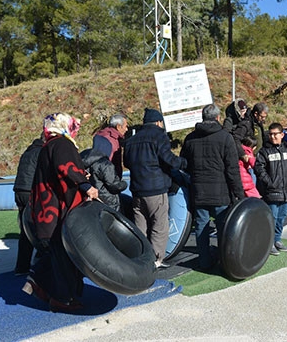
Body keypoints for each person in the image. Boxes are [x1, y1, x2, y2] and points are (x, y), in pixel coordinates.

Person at [23, 113, 99, 312]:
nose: (75, 130)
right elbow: (65, 167)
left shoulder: (48, 145)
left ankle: (38, 281)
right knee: (64, 256)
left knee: (56, 252)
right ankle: (62, 298)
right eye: (73, 126)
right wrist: (85, 185)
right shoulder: (62, 144)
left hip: (46, 210)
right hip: (57, 212)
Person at [180, 104, 244, 271]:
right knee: (223, 227)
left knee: (201, 225)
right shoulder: (225, 137)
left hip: (199, 191)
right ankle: (225, 261)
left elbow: (184, 164)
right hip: (221, 192)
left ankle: (204, 262)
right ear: (217, 117)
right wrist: (239, 194)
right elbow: (232, 170)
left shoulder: (190, 138)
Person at [124, 108, 187, 269]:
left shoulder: (132, 140)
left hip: (137, 189)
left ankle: (141, 258)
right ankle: (157, 259)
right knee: (159, 225)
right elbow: (169, 159)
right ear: (159, 122)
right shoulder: (159, 136)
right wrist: (184, 163)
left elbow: (127, 163)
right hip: (156, 189)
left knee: (141, 226)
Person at [254, 122, 287, 256]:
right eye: (271, 134)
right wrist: (270, 183)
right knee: (272, 218)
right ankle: (269, 244)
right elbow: (259, 169)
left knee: (281, 217)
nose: (273, 137)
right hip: (273, 192)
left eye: (276, 134)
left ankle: (278, 240)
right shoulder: (264, 151)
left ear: (282, 134)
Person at [12, 133, 44, 276]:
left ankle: (21, 267)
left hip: (19, 190)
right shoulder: (41, 152)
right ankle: (41, 262)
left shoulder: (28, 151)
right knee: (40, 227)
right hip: (30, 191)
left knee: (25, 231)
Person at [80, 147, 128, 211]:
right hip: (108, 200)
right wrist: (124, 184)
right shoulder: (105, 164)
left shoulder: (81, 165)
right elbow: (114, 185)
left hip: (92, 199)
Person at [93, 114, 128, 178]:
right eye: (125, 126)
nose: (127, 129)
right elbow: (102, 165)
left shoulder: (111, 137)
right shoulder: (107, 140)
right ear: (118, 126)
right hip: (108, 180)